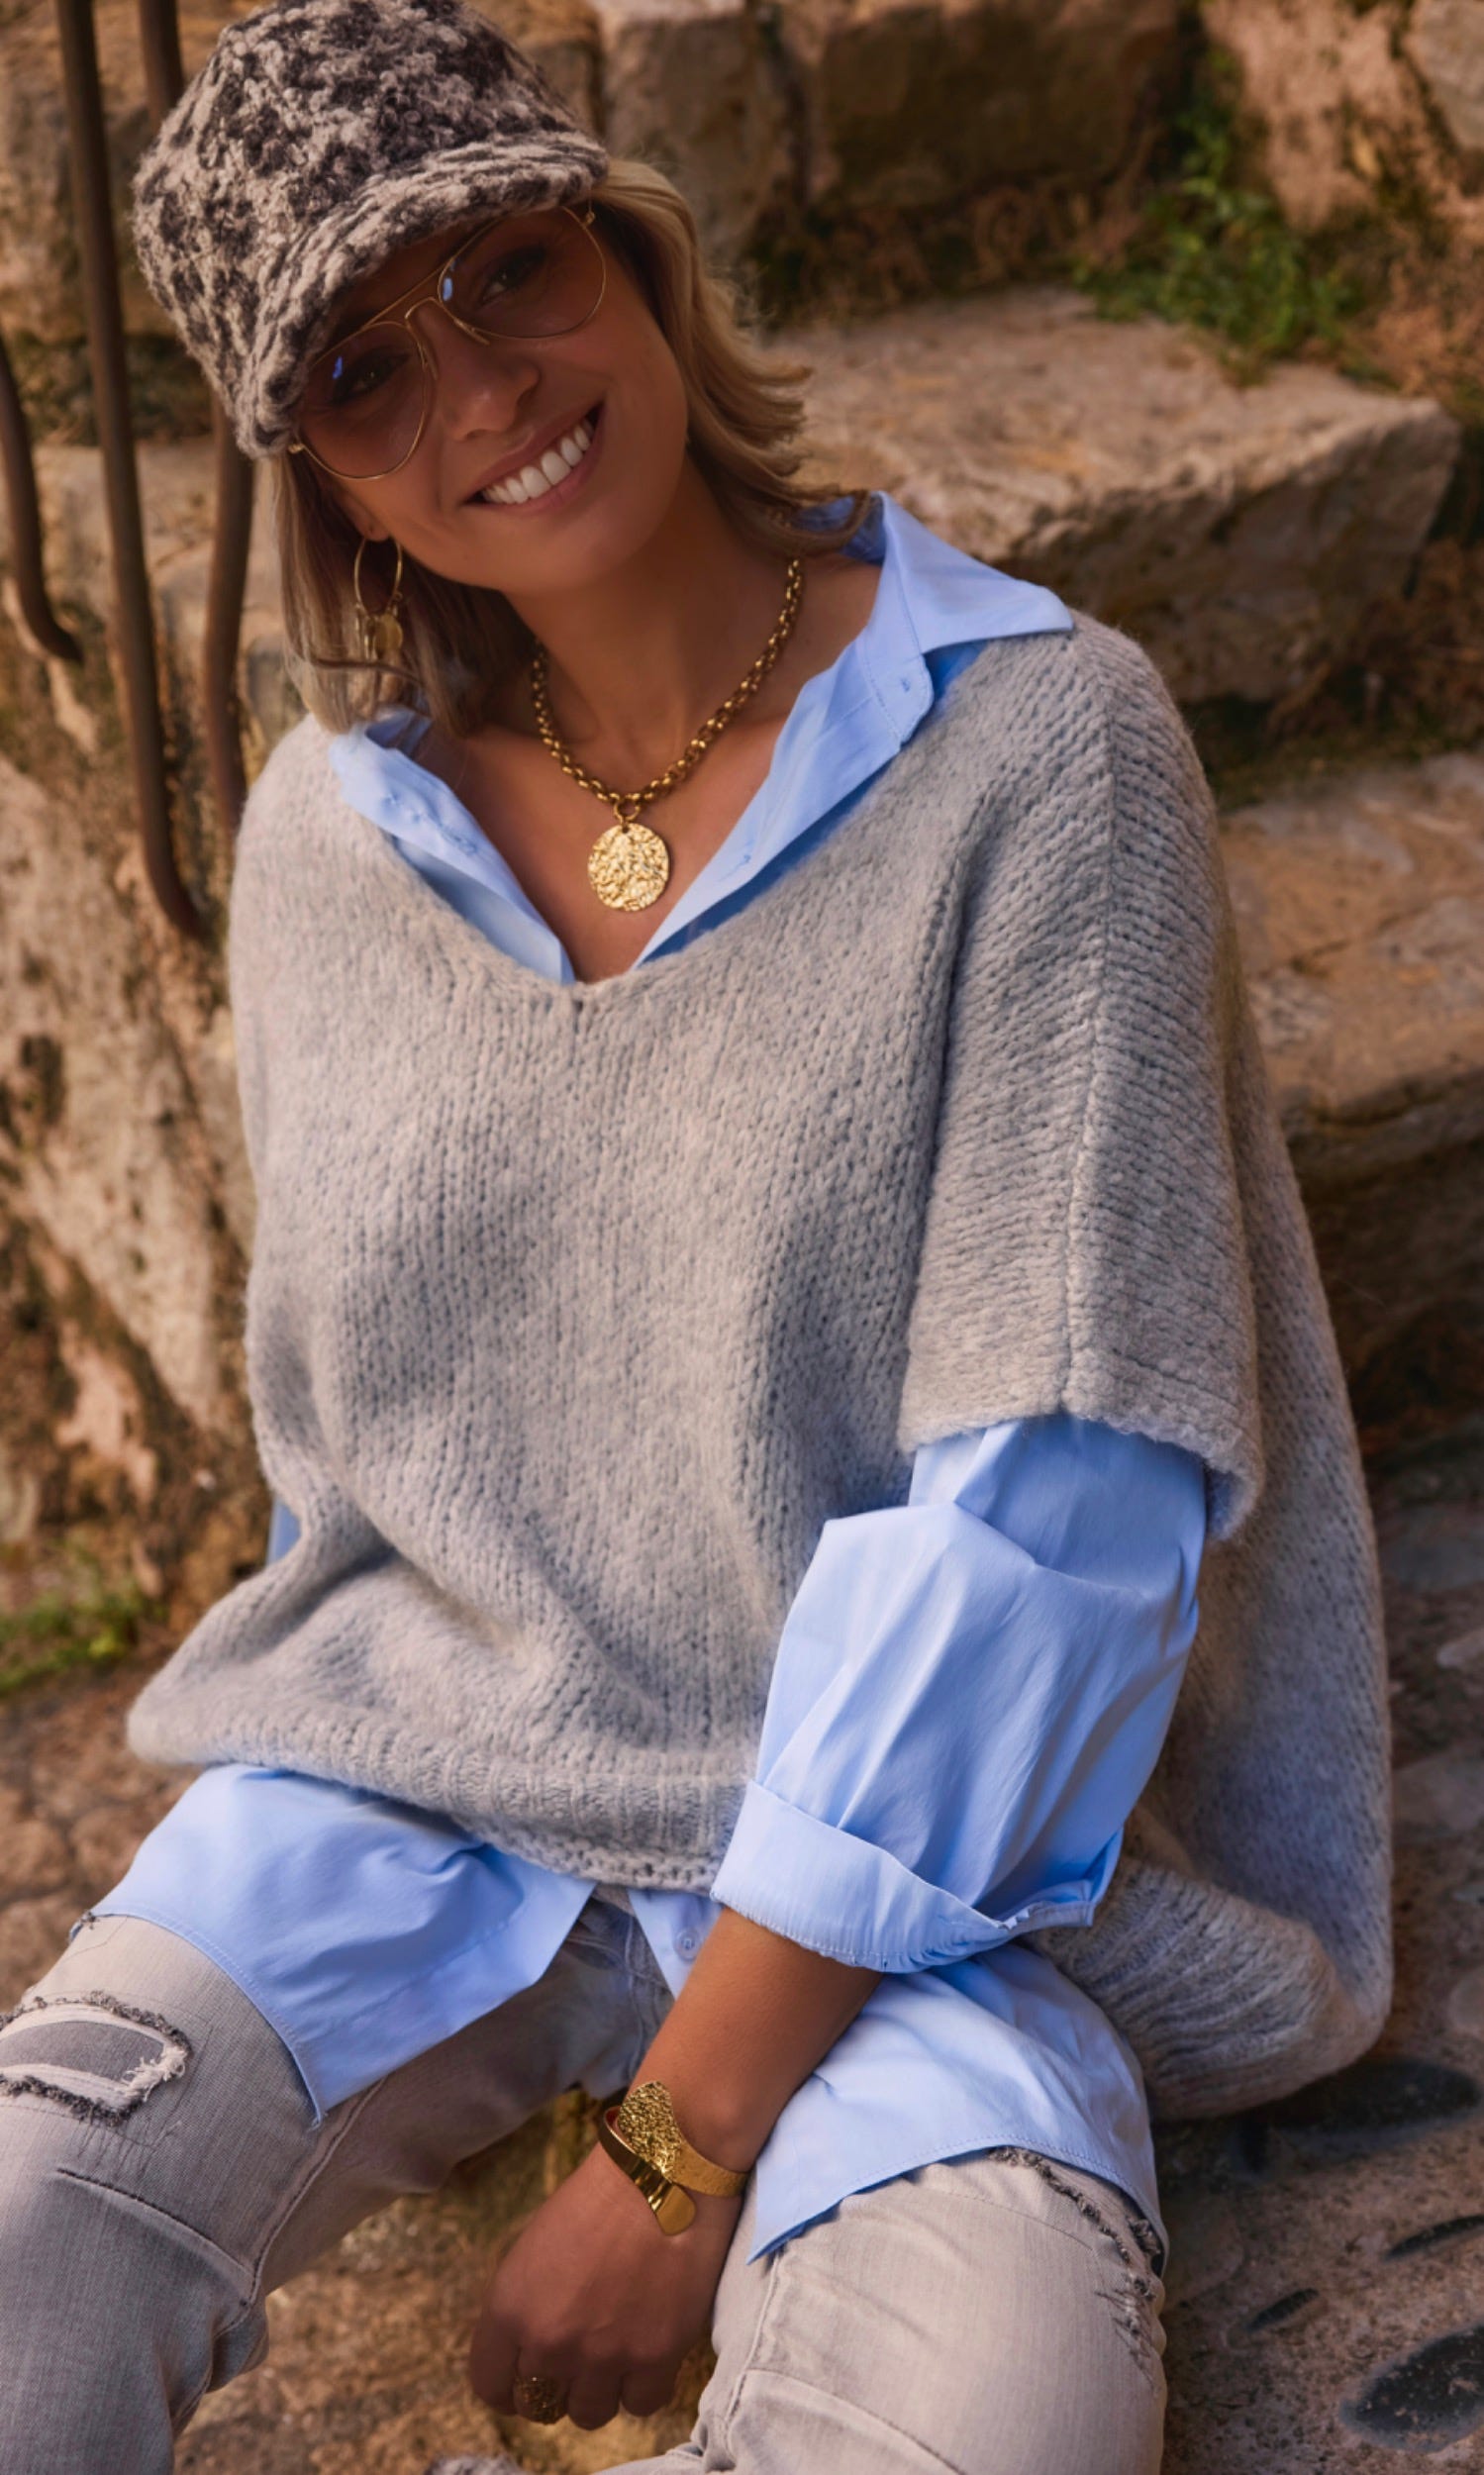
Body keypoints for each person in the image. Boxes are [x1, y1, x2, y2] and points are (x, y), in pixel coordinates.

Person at [0, 2, 1392, 2469]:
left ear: (628, 254)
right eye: (364, 368)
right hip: (413, 1788)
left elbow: (1062, 1513)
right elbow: (353, 1454)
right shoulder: (334, 838)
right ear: (319, 472)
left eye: (509, 268)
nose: (483, 390)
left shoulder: (1039, 750)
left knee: (989, 2434)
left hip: (922, 1879)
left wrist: (677, 2138)